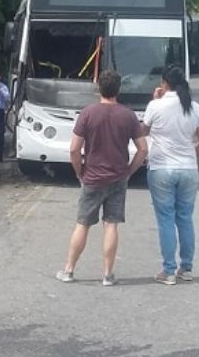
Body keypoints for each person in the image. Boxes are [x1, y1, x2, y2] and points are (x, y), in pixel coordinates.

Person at [56, 70, 147, 286]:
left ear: (98, 88)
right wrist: (129, 171)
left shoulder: (87, 114)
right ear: (119, 89)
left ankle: (69, 270)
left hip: (93, 177)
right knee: (111, 224)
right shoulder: (128, 115)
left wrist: (80, 172)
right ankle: (107, 274)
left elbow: (74, 150)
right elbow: (143, 149)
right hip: (118, 177)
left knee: (83, 223)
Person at [142, 66, 199, 285]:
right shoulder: (194, 107)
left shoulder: (155, 106)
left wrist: (155, 99)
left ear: (164, 83)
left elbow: (142, 132)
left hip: (161, 167)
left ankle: (168, 270)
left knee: (165, 219)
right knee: (185, 218)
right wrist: (191, 154)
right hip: (188, 168)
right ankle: (186, 268)